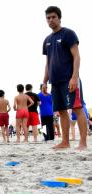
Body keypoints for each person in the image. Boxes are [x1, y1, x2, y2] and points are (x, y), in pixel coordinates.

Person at [42, 6, 87, 150]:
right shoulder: (47, 40)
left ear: (59, 18)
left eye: (53, 17)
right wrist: (44, 81)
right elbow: (48, 63)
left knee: (77, 108)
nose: (51, 20)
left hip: (69, 79)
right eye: (48, 18)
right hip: (55, 81)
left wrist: (74, 77)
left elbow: (77, 56)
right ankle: (65, 142)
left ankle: (83, 143)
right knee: (61, 111)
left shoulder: (68, 34)